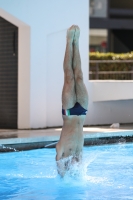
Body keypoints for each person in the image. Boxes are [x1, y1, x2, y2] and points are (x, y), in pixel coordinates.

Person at [55, 25, 88, 177]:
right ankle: (77, 42)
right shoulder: (78, 155)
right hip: (81, 111)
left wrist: (62, 173)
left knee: (69, 77)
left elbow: (58, 164)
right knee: (79, 76)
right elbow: (82, 171)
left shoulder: (61, 153)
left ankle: (69, 41)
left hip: (68, 112)